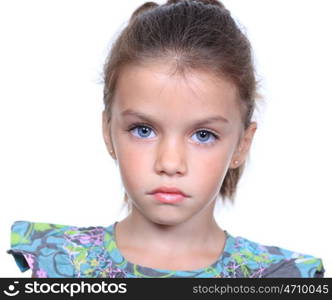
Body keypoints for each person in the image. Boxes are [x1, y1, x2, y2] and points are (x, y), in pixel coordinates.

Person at [7, 0, 325, 278]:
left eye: (203, 135)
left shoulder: (278, 276)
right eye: (143, 130)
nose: (170, 163)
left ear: (242, 143)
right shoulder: (56, 260)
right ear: (108, 131)